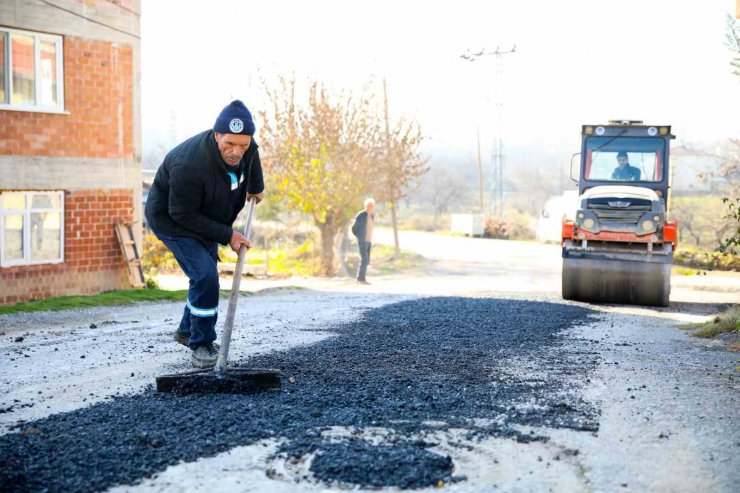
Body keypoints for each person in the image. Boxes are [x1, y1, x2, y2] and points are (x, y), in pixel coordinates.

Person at [144, 100, 264, 368]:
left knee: (203, 274)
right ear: (216, 135)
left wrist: (256, 186)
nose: (236, 152)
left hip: (206, 215)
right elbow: (181, 214)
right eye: (230, 144)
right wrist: (227, 234)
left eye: (242, 145)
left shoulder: (247, 146)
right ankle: (201, 344)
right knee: (206, 276)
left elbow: (253, 155)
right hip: (173, 219)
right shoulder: (189, 164)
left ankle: (187, 331)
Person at [351, 198, 375, 284]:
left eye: (372, 206)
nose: (370, 207)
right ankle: (360, 279)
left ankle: (361, 278)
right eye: (368, 205)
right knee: (364, 259)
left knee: (367, 260)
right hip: (362, 240)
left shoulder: (371, 215)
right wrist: (359, 237)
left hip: (368, 240)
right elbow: (354, 228)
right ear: (365, 206)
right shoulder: (362, 215)